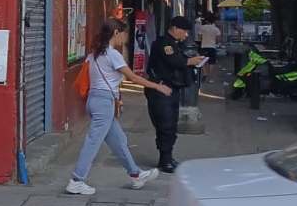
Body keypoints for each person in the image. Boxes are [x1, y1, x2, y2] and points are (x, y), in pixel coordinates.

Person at [66, 19, 172, 195]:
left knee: (118, 139)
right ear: (116, 33)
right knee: (93, 141)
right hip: (104, 102)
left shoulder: (94, 54)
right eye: (124, 33)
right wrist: (157, 86)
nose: (125, 37)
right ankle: (77, 180)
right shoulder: (112, 54)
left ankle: (135, 174)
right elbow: (133, 78)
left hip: (94, 100)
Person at [145, 15, 206, 173]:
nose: (186, 35)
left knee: (171, 125)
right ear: (175, 28)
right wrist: (190, 61)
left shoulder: (175, 44)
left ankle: (168, 157)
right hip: (161, 89)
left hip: (171, 89)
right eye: (184, 31)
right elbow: (174, 61)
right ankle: (164, 160)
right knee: (165, 125)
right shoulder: (164, 43)